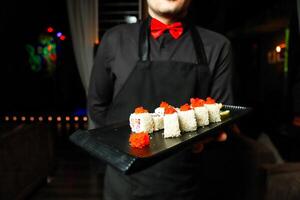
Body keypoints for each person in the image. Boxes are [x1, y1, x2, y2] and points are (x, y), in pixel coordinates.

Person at [88, 0, 233, 199]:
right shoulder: (115, 39)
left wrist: (209, 137)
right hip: (123, 184)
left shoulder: (218, 46)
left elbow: (221, 115)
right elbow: (97, 106)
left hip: (188, 184)